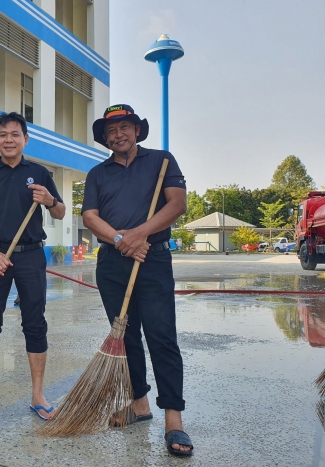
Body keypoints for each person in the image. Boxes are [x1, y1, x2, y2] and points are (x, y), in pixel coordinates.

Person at [82, 104, 193, 456]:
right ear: (105, 138)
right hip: (112, 263)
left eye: (125, 127)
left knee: (162, 336)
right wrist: (121, 240)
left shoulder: (162, 161)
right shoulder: (97, 174)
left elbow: (177, 204)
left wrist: (140, 234)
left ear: (137, 131)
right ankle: (140, 404)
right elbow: (89, 217)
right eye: (111, 131)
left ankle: (173, 418)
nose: (119, 135)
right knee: (126, 336)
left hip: (153, 258)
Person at [0, 112, 66, 423]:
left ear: (25, 139)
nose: (9, 139)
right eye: (3, 134)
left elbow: (60, 213)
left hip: (31, 256)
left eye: (15, 134)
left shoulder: (40, 173)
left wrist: (49, 200)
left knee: (35, 323)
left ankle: (38, 396)